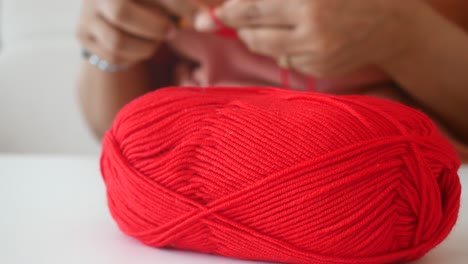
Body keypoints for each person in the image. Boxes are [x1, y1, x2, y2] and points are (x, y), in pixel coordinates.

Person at [76, 0, 468, 161]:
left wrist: (405, 35)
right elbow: (114, 130)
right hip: (204, 201)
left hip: (413, 201)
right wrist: (110, 42)